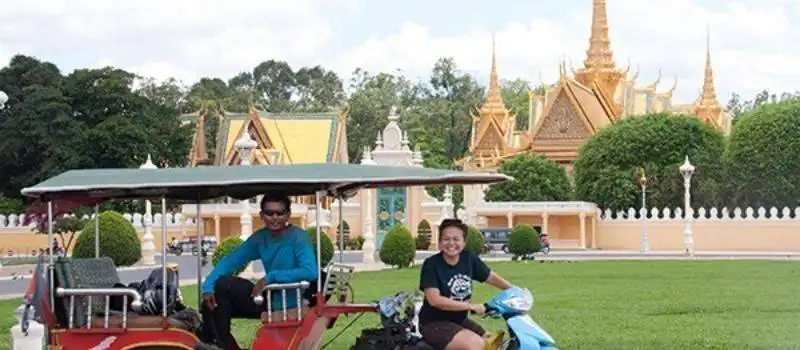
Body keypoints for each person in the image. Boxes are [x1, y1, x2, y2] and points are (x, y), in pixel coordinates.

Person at [199, 193, 318, 349]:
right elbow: (231, 261)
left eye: (280, 213)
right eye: (269, 213)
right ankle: (220, 344)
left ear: (288, 215)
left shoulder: (298, 237)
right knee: (214, 297)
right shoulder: (260, 238)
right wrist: (208, 286)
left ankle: (219, 344)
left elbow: (310, 271)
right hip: (268, 296)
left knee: (221, 289)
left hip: (288, 299)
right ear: (262, 215)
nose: (274, 218)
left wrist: (270, 278)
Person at [418, 218, 513, 350]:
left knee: (493, 342)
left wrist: (513, 290)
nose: (451, 243)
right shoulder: (432, 264)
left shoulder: (469, 259)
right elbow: (435, 300)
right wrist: (471, 306)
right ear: (440, 242)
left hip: (458, 320)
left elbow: (490, 277)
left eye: (456, 239)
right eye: (446, 239)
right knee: (477, 345)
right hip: (434, 323)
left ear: (464, 242)